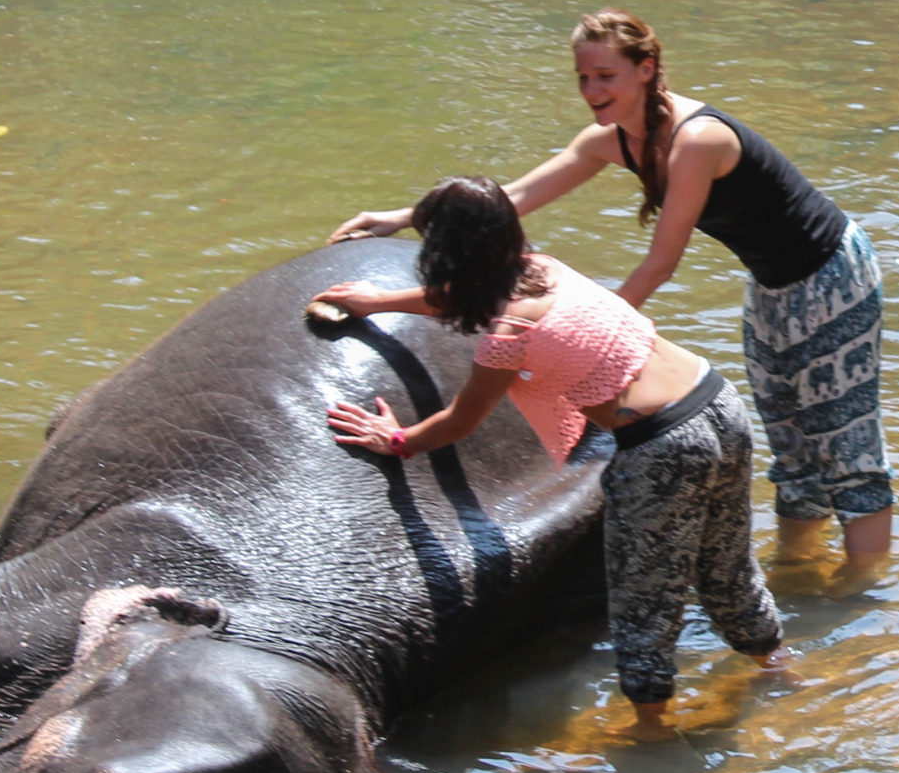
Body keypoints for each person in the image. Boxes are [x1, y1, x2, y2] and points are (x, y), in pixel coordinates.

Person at [328, 9, 891, 565]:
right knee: (791, 441)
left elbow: (660, 263)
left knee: (844, 444)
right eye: (583, 78)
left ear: (646, 69)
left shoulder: (697, 141)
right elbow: (510, 202)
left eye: (606, 76)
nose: (592, 91)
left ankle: (864, 589)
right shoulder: (611, 139)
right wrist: (402, 216)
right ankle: (800, 573)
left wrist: (587, 335)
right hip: (771, 284)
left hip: (832, 275)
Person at [316, 176, 787, 734]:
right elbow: (471, 297)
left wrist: (395, 440)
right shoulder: (549, 269)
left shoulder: (509, 335)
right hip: (717, 401)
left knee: (642, 599)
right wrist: (380, 302)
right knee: (727, 566)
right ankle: (781, 676)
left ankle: (650, 732)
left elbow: (461, 421)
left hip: (664, 445)